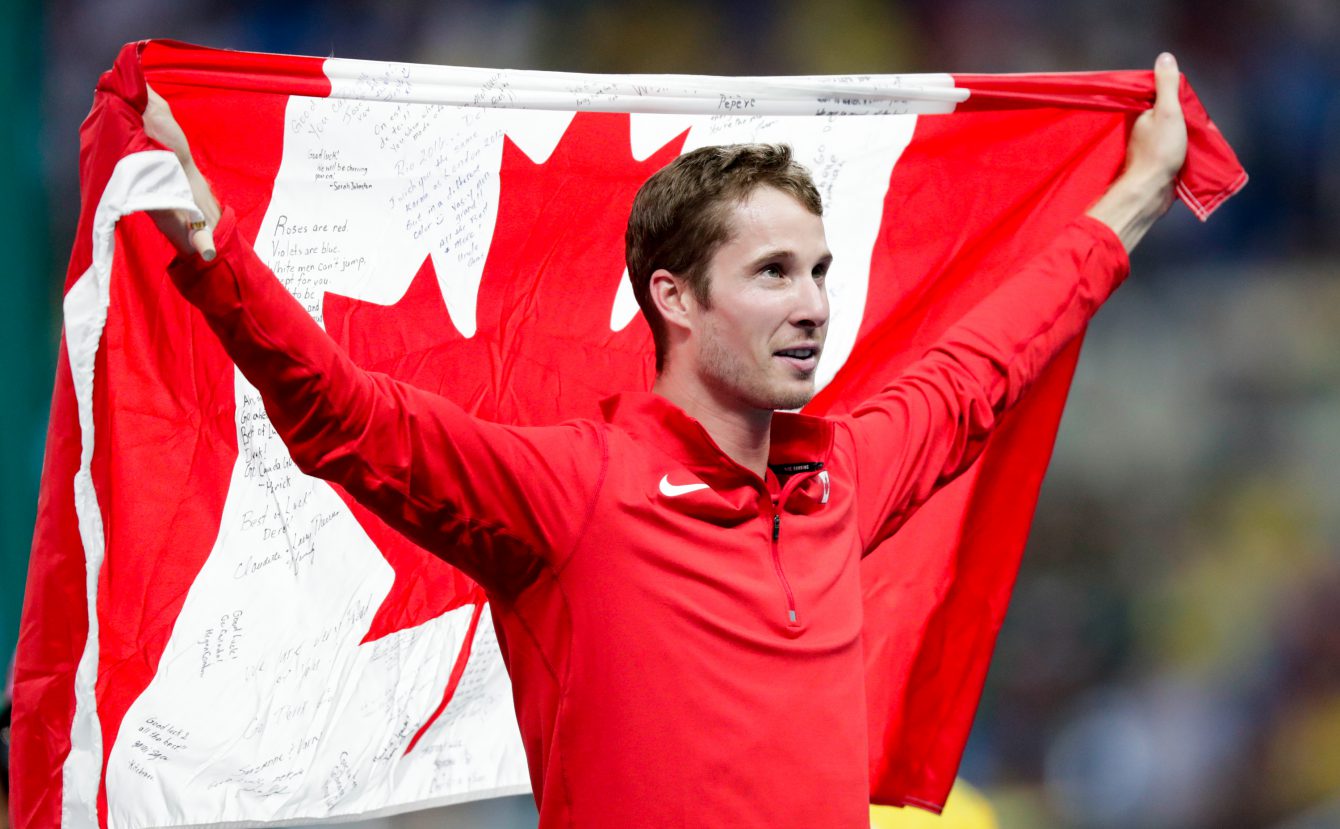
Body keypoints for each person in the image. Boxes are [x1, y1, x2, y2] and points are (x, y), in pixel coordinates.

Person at [145, 54, 1188, 829]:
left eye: (820, 270)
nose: (814, 304)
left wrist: (1137, 191)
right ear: (673, 297)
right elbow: (351, 418)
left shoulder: (844, 475)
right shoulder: (571, 488)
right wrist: (208, 250)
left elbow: (984, 367)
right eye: (772, 272)